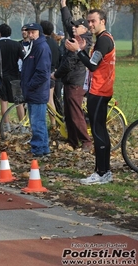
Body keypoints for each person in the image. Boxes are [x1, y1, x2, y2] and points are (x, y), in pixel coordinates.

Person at [66, 9, 115, 184]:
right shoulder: (104, 39)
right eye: (88, 21)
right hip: (100, 89)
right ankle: (105, 171)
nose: (90, 25)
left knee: (98, 131)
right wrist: (80, 50)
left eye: (93, 21)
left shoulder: (103, 40)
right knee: (100, 130)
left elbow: (92, 66)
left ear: (102, 21)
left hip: (99, 91)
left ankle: (101, 172)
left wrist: (77, 51)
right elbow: (94, 63)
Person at [51, 0, 93, 152]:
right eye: (74, 26)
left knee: (75, 113)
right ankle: (73, 141)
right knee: (68, 113)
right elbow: (68, 22)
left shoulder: (83, 42)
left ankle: (86, 142)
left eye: (77, 26)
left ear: (85, 29)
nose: (73, 28)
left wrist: (55, 75)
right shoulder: (77, 35)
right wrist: (63, 6)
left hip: (76, 81)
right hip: (70, 81)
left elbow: (69, 63)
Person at [20, 23, 52, 157]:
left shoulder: (41, 47)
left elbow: (43, 73)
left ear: (39, 32)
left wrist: (29, 85)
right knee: (39, 122)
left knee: (37, 122)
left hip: (37, 91)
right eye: (29, 32)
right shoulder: (35, 46)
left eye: (33, 32)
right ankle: (43, 148)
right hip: (34, 91)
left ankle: (38, 149)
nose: (30, 34)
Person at [0, 23, 25, 132]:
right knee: (19, 102)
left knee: (3, 101)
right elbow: (24, 58)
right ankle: (22, 125)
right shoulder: (17, 45)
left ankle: (6, 126)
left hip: (2, 76)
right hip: (15, 76)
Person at [40, 20, 60, 128]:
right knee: (50, 99)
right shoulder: (54, 43)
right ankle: (53, 123)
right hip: (53, 72)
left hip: (44, 74)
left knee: (44, 100)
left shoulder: (42, 43)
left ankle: (46, 123)